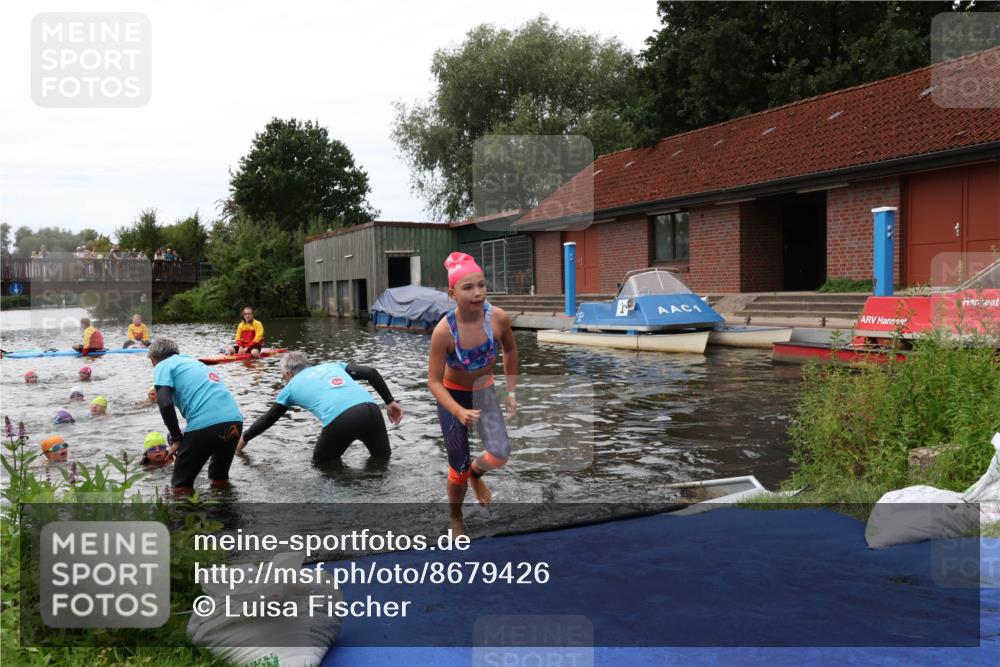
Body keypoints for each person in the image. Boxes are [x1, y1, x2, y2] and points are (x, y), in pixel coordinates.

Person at [428, 252, 518, 536]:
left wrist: (510, 391)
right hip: (453, 398)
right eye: (468, 288)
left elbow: (510, 350)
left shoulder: (498, 318)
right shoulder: (444, 332)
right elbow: (434, 382)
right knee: (458, 467)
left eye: (481, 285)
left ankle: (476, 475)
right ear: (452, 293)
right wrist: (458, 411)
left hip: (484, 392)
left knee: (501, 453)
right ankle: (456, 517)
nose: (477, 293)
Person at [237, 352, 402, 465]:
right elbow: (371, 372)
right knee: (381, 461)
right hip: (372, 411)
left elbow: (268, 418)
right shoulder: (333, 365)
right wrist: (390, 402)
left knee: (321, 465)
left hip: (342, 419)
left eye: (282, 377)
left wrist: (244, 438)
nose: (284, 380)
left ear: (287, 374)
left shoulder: (291, 386)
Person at [148, 338, 243, 491]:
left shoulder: (161, 366)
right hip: (234, 420)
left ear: (153, 360)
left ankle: (180, 514)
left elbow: (164, 403)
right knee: (219, 478)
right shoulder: (193, 362)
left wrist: (177, 438)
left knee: (180, 484)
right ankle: (226, 512)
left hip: (206, 423)